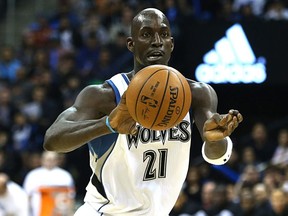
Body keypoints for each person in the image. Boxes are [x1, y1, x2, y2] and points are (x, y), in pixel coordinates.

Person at [43, 8, 243, 216]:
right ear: (131, 44)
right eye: (146, 34)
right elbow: (52, 140)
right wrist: (107, 125)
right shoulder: (106, 95)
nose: (157, 41)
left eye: (164, 34)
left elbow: (217, 157)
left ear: (171, 44)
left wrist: (214, 141)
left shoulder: (196, 94)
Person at [23, 151, 75, 216]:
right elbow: (27, 197)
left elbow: (71, 198)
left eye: (53, 159)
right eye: (48, 159)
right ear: (42, 160)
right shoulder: (33, 175)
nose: (50, 162)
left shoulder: (65, 176)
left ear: (57, 160)